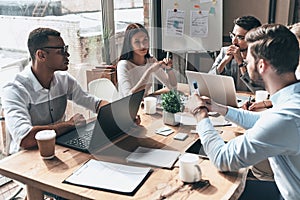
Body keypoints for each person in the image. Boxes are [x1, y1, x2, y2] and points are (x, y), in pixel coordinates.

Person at [188, 24, 300, 199]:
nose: (245, 63)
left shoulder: (286, 117)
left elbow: (222, 159)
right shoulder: (292, 101)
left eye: (248, 60)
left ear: (261, 65)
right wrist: (219, 108)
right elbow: (261, 120)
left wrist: (199, 115)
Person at [1, 27, 108, 155]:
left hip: (58, 148)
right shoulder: (14, 89)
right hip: (27, 157)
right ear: (41, 55)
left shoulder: (64, 80)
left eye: (66, 49)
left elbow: (95, 103)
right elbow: (25, 138)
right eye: (61, 51)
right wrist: (68, 125)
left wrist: (118, 114)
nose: (67, 55)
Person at [117, 23, 177, 98]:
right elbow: (128, 97)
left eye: (145, 40)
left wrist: (169, 69)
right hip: (127, 108)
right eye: (137, 42)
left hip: (143, 105)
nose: (143, 46)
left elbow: (172, 86)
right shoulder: (123, 65)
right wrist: (149, 71)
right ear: (130, 45)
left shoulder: (150, 60)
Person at [209, 16, 261, 91]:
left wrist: (241, 63)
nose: (234, 41)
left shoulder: (260, 58)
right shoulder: (225, 51)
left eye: (240, 38)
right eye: (233, 36)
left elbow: (257, 90)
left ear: (254, 39)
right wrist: (224, 61)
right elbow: (209, 81)